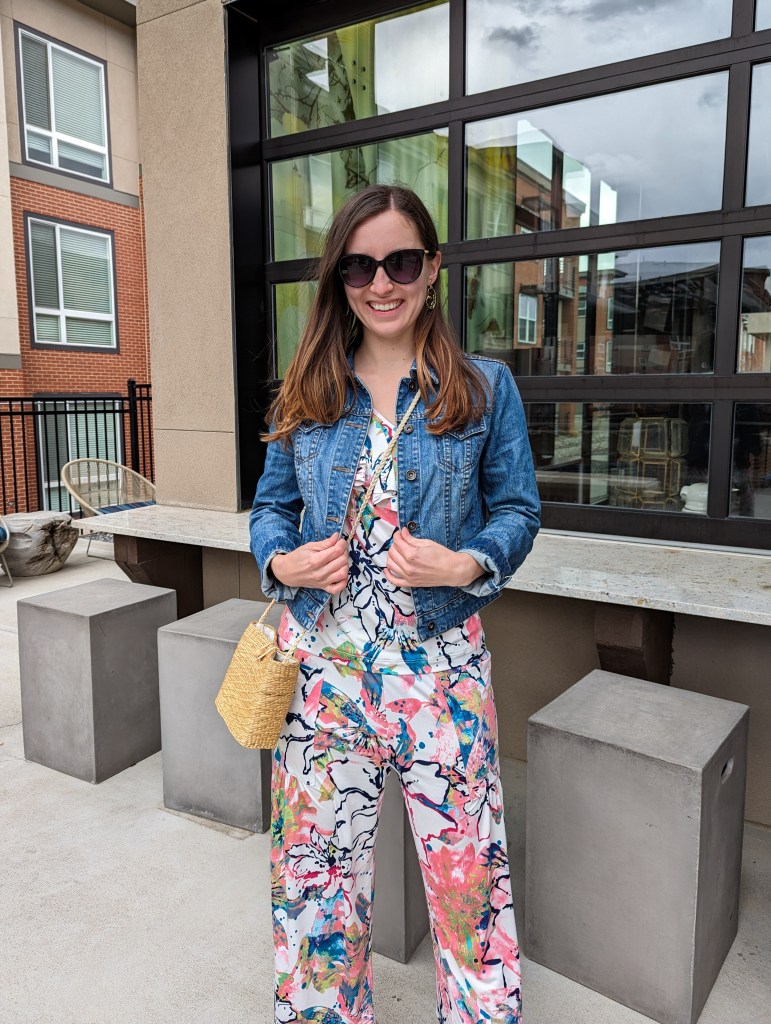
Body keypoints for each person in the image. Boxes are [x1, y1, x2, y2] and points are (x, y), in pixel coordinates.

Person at [250, 183, 540, 1024]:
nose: (382, 283)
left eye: (400, 262)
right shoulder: (306, 386)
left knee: (468, 895)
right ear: (339, 277)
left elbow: (518, 510)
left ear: (433, 268)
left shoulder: (482, 387)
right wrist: (282, 558)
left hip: (439, 674)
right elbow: (270, 505)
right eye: (360, 265)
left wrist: (466, 563)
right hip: (322, 678)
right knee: (313, 889)